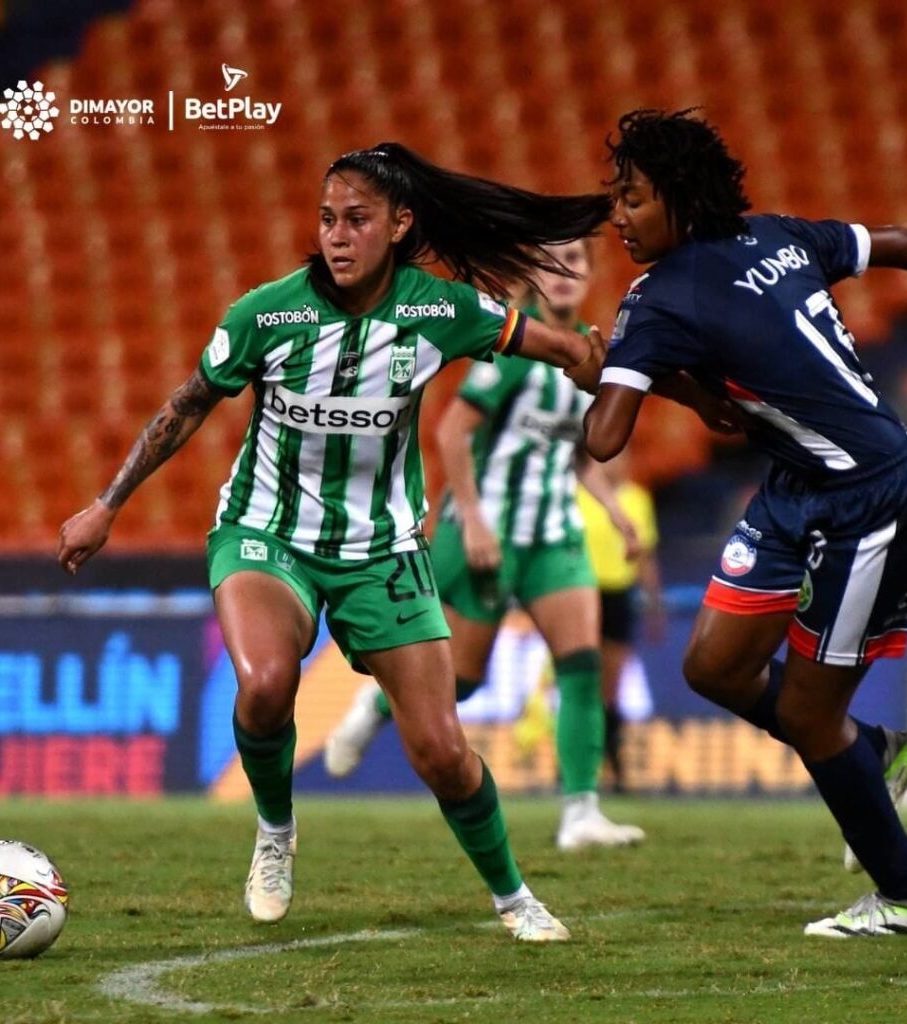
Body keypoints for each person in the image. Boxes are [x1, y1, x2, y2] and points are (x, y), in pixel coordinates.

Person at [57, 142, 612, 943]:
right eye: (327, 220)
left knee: (442, 750)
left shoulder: (441, 311)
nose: (338, 236)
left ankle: (513, 896)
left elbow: (557, 347)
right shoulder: (267, 314)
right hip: (266, 531)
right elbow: (187, 404)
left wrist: (594, 362)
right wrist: (107, 504)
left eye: (356, 220)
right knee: (265, 682)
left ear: (400, 224)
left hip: (382, 549)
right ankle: (275, 832)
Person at [584, 108, 907, 938]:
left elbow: (604, 438)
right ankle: (878, 752)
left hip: (870, 497)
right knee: (714, 666)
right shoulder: (781, 235)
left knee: (811, 717)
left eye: (633, 199)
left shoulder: (659, 298)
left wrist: (603, 368)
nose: (620, 217)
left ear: (679, 200)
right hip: (796, 487)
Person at [324, 239, 645, 851]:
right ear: (534, 277)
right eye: (553, 263)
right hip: (491, 536)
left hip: (553, 535)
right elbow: (452, 432)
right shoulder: (516, 349)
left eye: (576, 262)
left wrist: (615, 512)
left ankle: (580, 813)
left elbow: (575, 453)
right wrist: (471, 518)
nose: (565, 273)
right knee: (463, 681)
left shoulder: (587, 355)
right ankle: (375, 707)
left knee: (582, 662)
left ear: (590, 274)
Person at [576, 447, 664, 790]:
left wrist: (654, 604)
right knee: (581, 681)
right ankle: (577, 767)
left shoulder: (638, 499)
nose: (617, 463)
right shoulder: (579, 495)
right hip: (582, 593)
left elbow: (646, 556)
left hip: (618, 596)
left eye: (623, 457)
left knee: (610, 689)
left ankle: (615, 767)